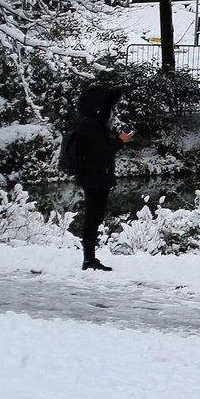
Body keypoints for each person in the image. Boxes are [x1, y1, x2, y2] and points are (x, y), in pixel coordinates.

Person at [59, 83, 132, 272]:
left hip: (96, 176)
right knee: (93, 217)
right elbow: (102, 152)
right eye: (110, 106)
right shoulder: (90, 124)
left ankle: (89, 258)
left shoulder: (91, 123)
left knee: (95, 217)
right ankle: (89, 260)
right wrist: (120, 141)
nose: (112, 110)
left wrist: (113, 137)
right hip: (94, 177)